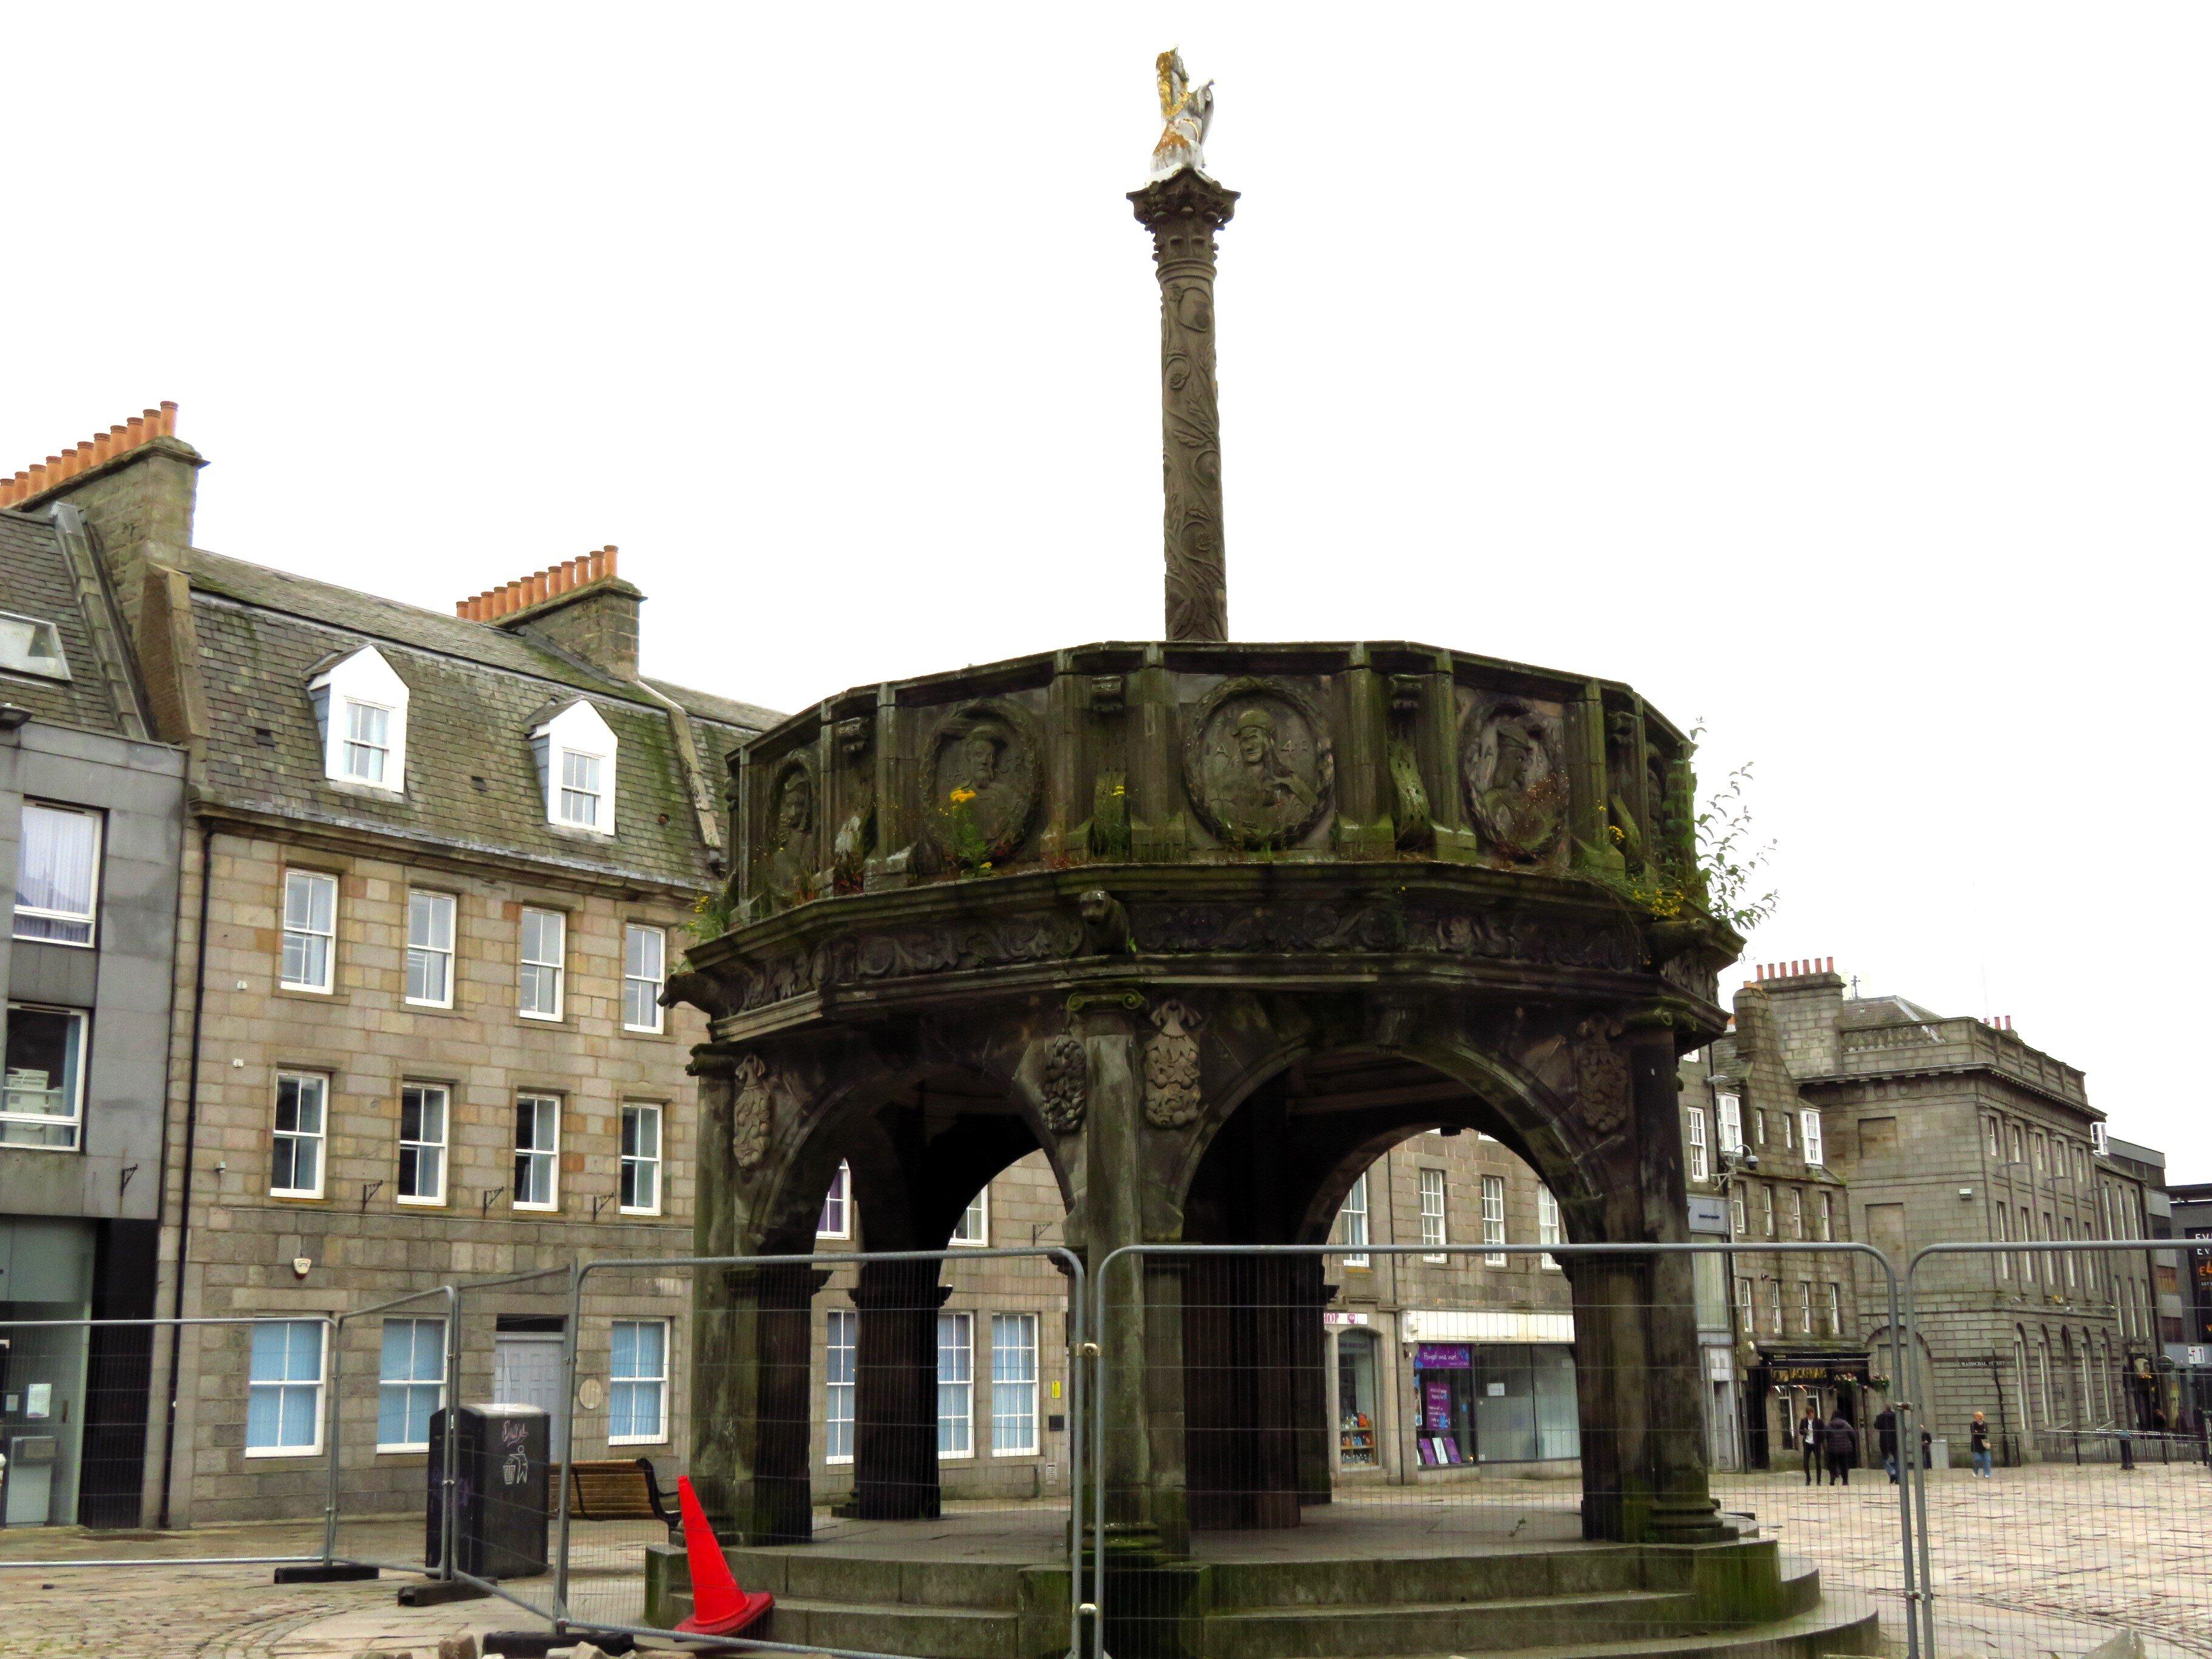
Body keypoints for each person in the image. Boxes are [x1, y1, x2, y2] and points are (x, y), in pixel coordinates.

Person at [1825, 1410, 1857, 1486]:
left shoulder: (1829, 1425)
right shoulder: (1846, 1424)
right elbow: (1853, 1434)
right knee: (1844, 1464)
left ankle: (1833, 1476)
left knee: (1832, 1463)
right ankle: (1845, 1481)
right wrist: (1851, 1442)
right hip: (1845, 1449)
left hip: (1833, 1449)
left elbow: (1824, 1435)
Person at [1874, 1403, 1899, 1484]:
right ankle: (1898, 1478)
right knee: (1897, 1459)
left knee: (1885, 1459)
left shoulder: (1881, 1417)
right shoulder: (1897, 1417)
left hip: (1884, 1441)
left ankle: (1892, 1472)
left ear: (1885, 1410)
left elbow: (1876, 1426)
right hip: (1895, 1440)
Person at [1798, 1407, 1822, 1486]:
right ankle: (1808, 1478)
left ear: (1813, 1413)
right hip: (1807, 1443)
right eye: (1808, 1415)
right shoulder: (1804, 1421)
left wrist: (1820, 1440)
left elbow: (1823, 1432)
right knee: (1806, 1462)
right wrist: (1804, 1431)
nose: (1810, 1416)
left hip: (1816, 1443)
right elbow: (1800, 1432)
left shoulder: (1818, 1421)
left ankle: (1819, 1480)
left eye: (1811, 1414)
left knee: (1818, 1462)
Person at [1969, 1411, 1992, 1478]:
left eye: (1977, 1417)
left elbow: (1985, 1433)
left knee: (1987, 1459)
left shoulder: (1985, 1424)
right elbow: (1974, 1434)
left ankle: (1987, 1474)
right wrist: (1981, 1432)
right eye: (1975, 1417)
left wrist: (1978, 1432)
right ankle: (1975, 1471)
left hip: (1985, 1442)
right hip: (1975, 1443)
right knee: (1977, 1459)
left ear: (1981, 1417)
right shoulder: (1973, 1424)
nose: (1976, 1418)